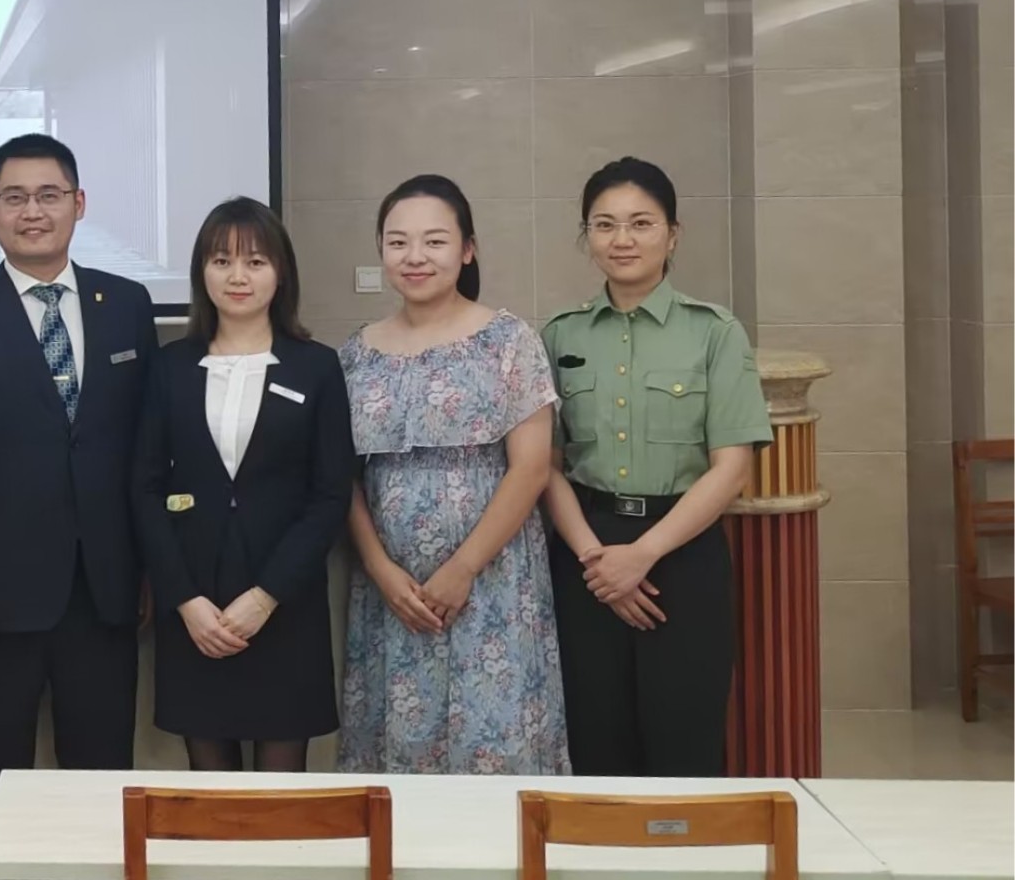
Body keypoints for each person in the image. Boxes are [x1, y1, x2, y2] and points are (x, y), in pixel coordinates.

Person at [0, 133, 157, 879]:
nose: (32, 212)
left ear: (79, 204)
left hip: (105, 593)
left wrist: (150, 571)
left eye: (49, 195)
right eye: (14, 197)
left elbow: (145, 455)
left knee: (102, 784)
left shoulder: (128, 306)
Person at [542, 156, 772, 777]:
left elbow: (731, 468)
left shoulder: (715, 332)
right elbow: (547, 466)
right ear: (586, 237)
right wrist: (597, 561)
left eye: (641, 223)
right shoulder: (559, 336)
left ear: (673, 234)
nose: (622, 239)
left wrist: (641, 555)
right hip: (585, 554)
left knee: (684, 739)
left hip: (682, 553)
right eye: (604, 224)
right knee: (594, 739)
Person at [336, 174, 570, 775]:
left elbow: (531, 468)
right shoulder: (355, 354)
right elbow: (342, 479)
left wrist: (462, 569)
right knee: (397, 755)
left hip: (493, 585)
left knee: (497, 747)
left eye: (434, 241)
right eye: (398, 242)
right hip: (394, 595)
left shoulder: (509, 341)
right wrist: (380, 569)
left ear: (467, 250)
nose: (415, 256)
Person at [134, 197, 352, 772]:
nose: (237, 276)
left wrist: (265, 597)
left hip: (284, 604)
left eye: (255, 262)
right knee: (212, 794)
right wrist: (185, 601)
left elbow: (331, 494)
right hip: (196, 610)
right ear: (201, 272)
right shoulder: (169, 367)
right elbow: (144, 489)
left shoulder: (315, 366)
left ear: (281, 273)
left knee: (280, 796)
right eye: (221, 260)